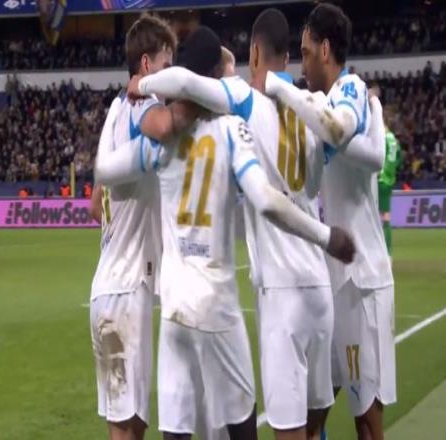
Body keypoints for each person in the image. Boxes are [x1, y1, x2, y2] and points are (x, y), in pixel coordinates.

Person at [126, 9, 377, 440]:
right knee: (316, 422)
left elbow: (185, 83)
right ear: (289, 57)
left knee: (287, 428)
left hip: (281, 293)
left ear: (255, 52)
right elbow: (349, 144)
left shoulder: (244, 100)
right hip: (319, 289)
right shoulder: (315, 108)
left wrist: (143, 84)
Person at [265, 4, 395, 440]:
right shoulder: (321, 106)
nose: (301, 65)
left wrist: (366, 114)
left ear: (325, 50)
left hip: (362, 280)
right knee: (315, 409)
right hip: (334, 279)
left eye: (305, 52)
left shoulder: (349, 89)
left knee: (366, 417)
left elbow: (370, 155)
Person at [89, 14, 192, 440]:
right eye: (167, 64)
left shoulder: (115, 111)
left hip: (112, 287)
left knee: (132, 423)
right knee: (127, 428)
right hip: (126, 291)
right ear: (147, 65)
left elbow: (94, 206)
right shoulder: (140, 106)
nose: (172, 74)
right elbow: (166, 125)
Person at [378, 120, 402, 257]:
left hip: (379, 179)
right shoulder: (394, 141)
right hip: (389, 180)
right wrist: (391, 172)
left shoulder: (382, 138)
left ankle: (379, 251)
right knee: (386, 216)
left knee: (372, 215)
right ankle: (388, 252)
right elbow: (399, 159)